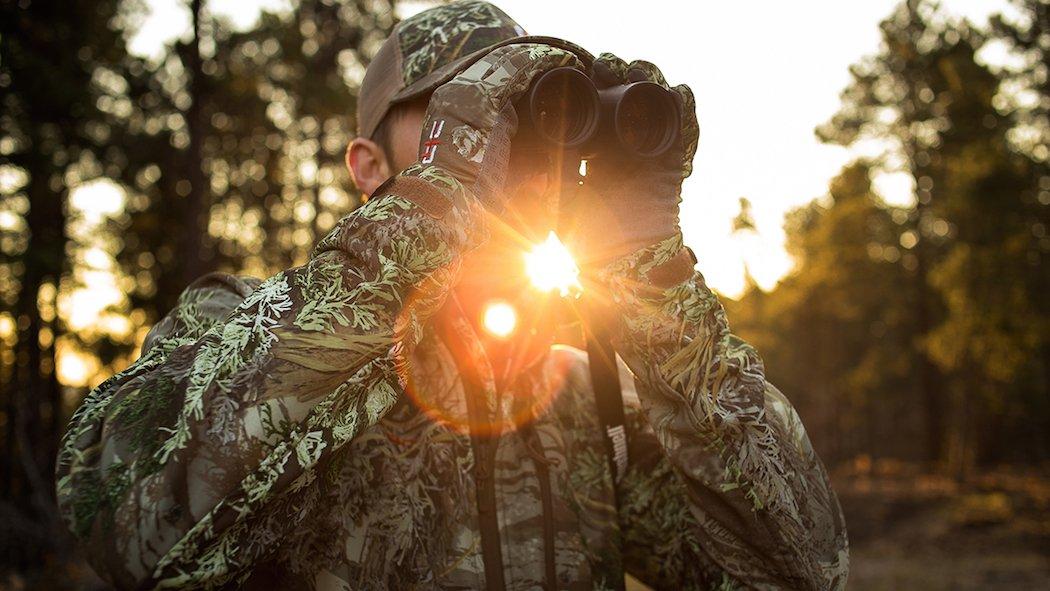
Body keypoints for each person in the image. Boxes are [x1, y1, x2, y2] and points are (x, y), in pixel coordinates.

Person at [55, 1, 849, 589]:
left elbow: (798, 570)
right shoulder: (243, 327)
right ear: (369, 168)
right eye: (463, 116)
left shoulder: (580, 396)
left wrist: (657, 284)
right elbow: (128, 519)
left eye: (532, 120)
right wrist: (433, 207)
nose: (510, 150)